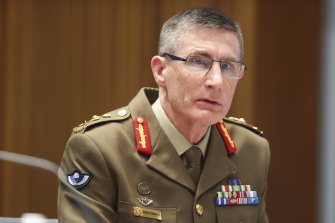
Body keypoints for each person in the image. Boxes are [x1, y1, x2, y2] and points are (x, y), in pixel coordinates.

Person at [58, 7, 270, 223]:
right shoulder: (100, 149)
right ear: (160, 71)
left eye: (227, 66)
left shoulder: (251, 150)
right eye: (198, 61)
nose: (216, 81)